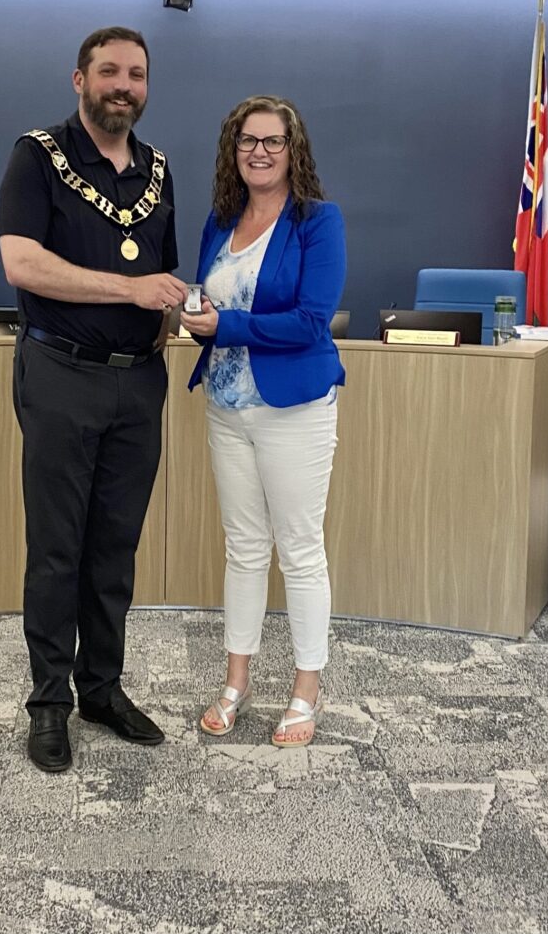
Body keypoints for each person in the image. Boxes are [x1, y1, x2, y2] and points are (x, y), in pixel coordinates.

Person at [0, 27, 187, 772]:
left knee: (114, 547)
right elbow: (22, 263)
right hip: (60, 373)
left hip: (139, 382)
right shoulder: (37, 156)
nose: (123, 86)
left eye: (136, 74)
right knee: (56, 548)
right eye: (109, 71)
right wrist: (128, 290)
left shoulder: (158, 169)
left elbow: (165, 276)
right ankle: (49, 703)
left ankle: (101, 689)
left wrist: (179, 313)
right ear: (79, 79)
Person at [181, 95, 346, 748]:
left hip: (293, 411)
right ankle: (236, 683)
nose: (259, 151)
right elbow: (208, 299)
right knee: (243, 549)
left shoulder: (317, 222)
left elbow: (310, 321)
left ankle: (305, 691)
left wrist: (224, 325)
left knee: (299, 550)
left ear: (292, 149)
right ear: (233, 149)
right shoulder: (220, 220)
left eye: (273, 140)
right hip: (226, 409)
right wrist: (192, 316)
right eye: (247, 140)